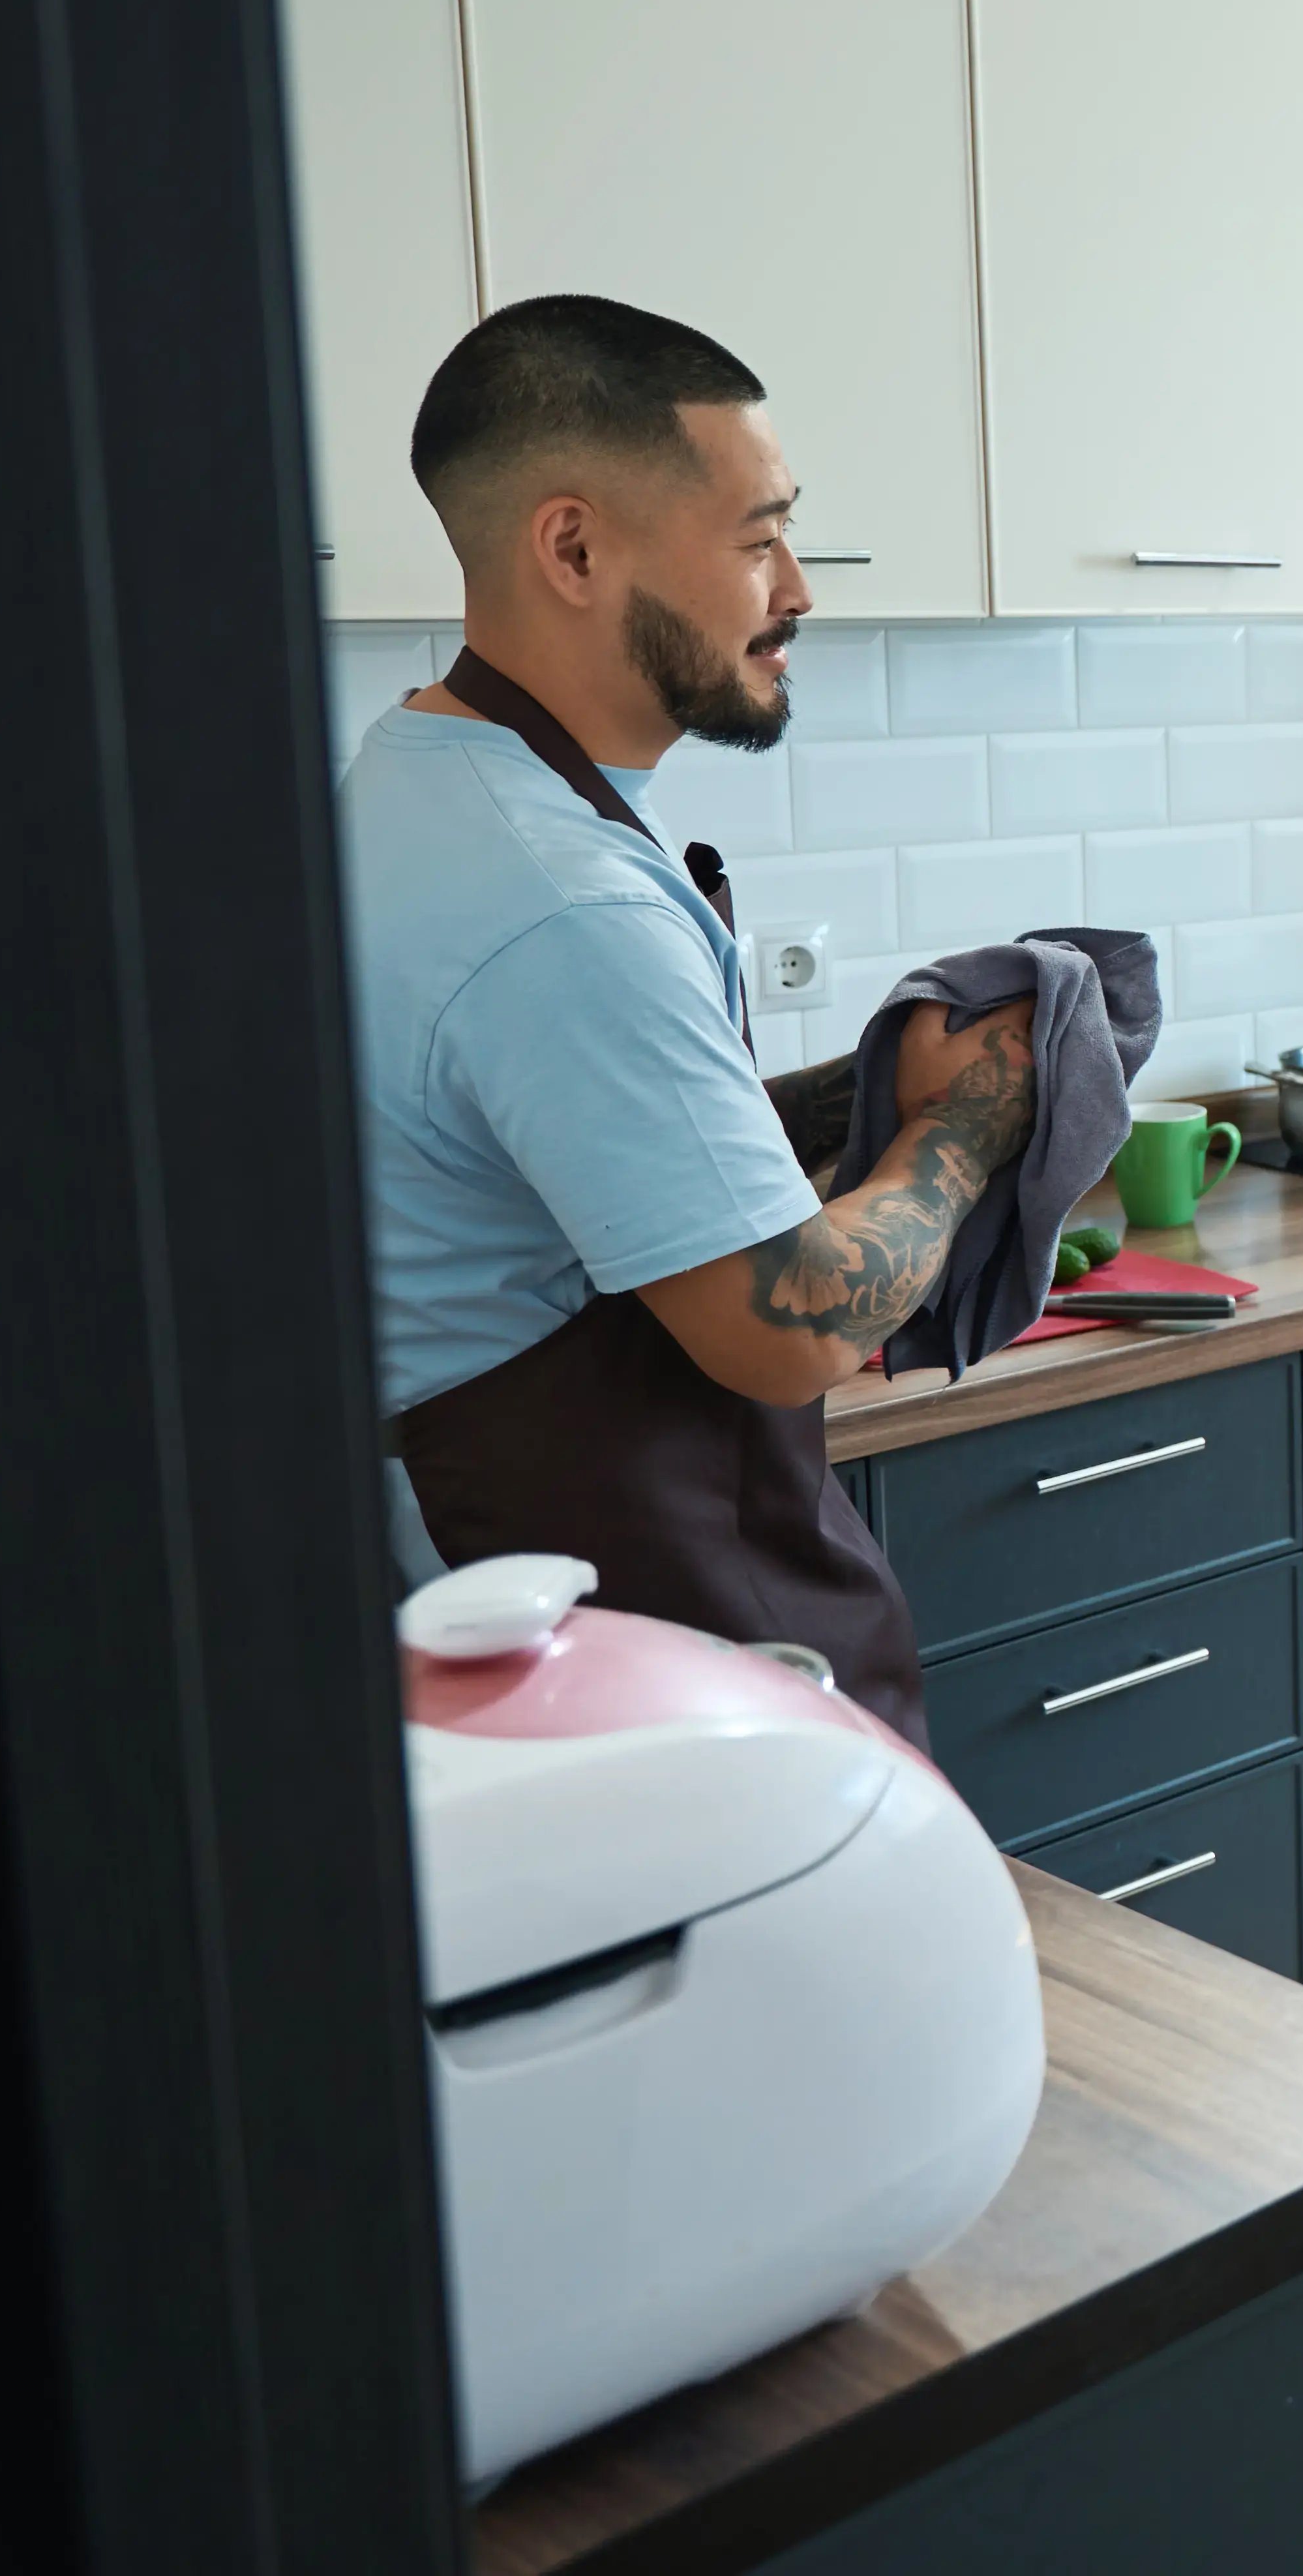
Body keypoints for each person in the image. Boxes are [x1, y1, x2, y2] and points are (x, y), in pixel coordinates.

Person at [338, 296, 1036, 1739]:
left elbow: (552, 1167)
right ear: (575, 548)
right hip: (611, 1623)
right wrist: (972, 1116)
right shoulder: (561, 901)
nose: (795, 587)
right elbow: (793, 1325)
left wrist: (853, 1095)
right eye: (755, 536)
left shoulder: (418, 783)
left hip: (483, 1588)